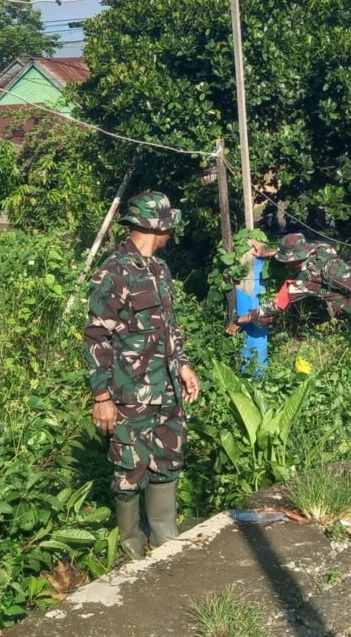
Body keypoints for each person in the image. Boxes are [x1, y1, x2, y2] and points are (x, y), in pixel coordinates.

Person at [84, 191, 200, 560]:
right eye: (169, 225)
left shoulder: (160, 270)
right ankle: (131, 543)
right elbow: (96, 337)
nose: (172, 232)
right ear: (157, 226)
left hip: (166, 388)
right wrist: (101, 397)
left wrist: (183, 365)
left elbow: (169, 326)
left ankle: (164, 534)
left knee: (167, 457)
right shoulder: (113, 272)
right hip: (130, 391)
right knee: (129, 467)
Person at [225, 233, 351, 383]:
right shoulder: (322, 248)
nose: (287, 265)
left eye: (288, 261)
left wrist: (239, 320)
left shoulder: (307, 280)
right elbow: (294, 254)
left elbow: (274, 307)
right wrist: (266, 252)